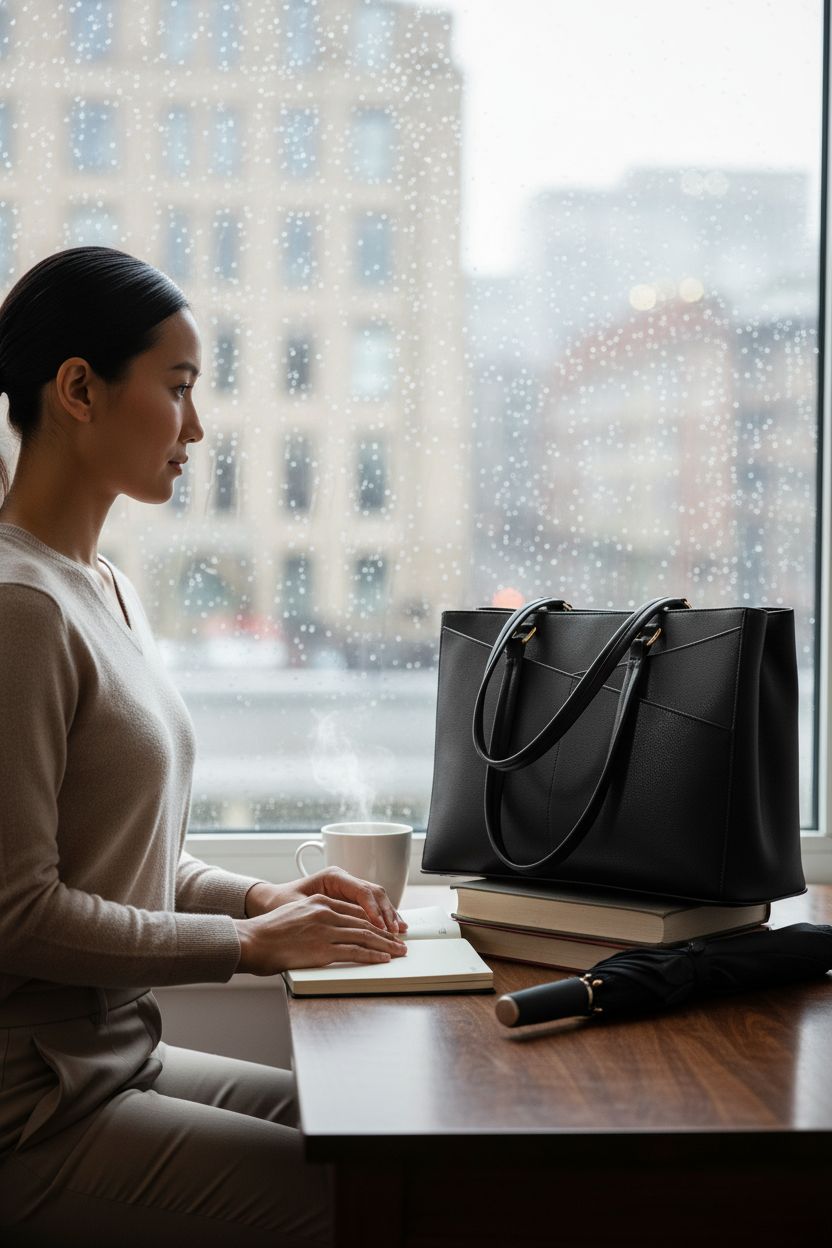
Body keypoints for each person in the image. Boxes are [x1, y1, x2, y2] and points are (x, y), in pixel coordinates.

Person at [0, 246, 409, 1246]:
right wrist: (246, 947)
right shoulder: (18, 608)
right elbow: (17, 911)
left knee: (403, 1158)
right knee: (378, 1211)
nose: (196, 426)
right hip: (34, 1110)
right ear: (79, 391)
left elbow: (127, 852)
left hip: (117, 1063)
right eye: (177, 389)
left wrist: (266, 898)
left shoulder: (104, 590)